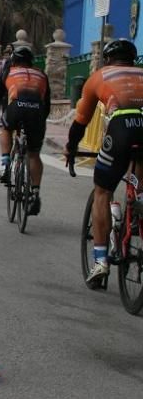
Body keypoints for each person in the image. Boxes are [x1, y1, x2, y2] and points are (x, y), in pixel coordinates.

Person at [65, 38, 143, 286]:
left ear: (107, 60)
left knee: (102, 190)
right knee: (139, 182)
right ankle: (136, 205)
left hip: (121, 128)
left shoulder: (99, 77)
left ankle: (101, 262)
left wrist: (71, 148)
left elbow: (81, 122)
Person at [0, 46, 49, 215]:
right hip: (37, 111)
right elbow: (47, 104)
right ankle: (35, 193)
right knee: (34, 154)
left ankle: (5, 164)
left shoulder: (9, 72)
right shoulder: (42, 74)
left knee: (6, 129)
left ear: (13, 61)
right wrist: (39, 123)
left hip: (17, 107)